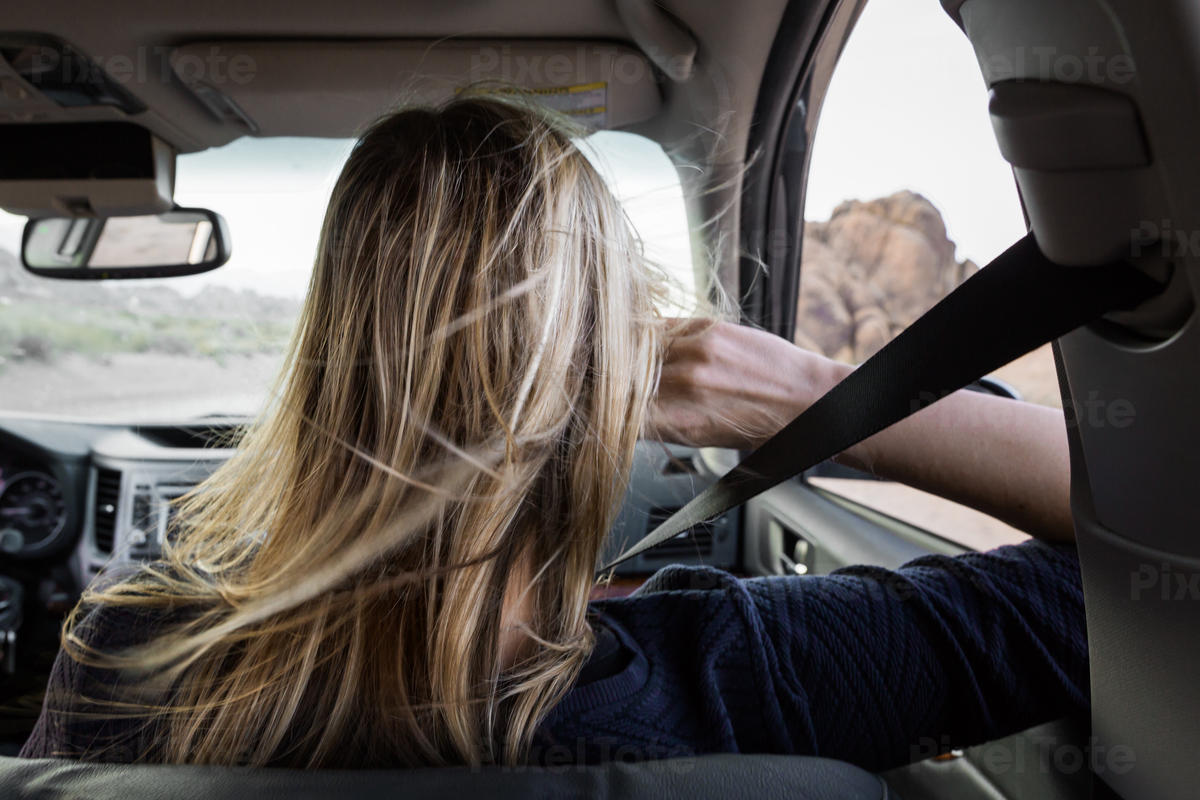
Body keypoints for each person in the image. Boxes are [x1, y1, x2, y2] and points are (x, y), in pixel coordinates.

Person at [20, 96, 1086, 770]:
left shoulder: (126, 651)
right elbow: (1140, 565)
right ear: (612, 384)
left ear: (328, 366)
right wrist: (808, 394)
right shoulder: (744, 675)